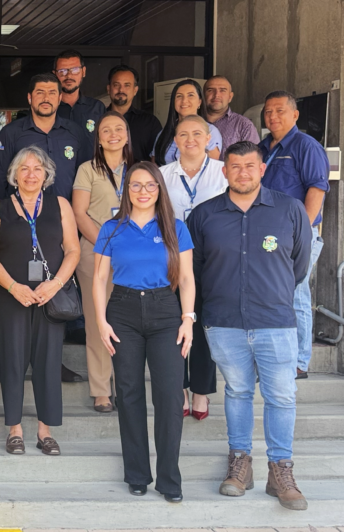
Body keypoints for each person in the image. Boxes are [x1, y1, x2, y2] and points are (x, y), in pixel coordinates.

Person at [188, 141, 311, 511]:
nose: (243, 172)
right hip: (224, 322)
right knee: (238, 392)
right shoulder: (204, 214)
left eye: (250, 166)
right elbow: (194, 269)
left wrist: (271, 291)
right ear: (224, 171)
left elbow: (299, 265)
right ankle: (240, 464)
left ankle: (281, 471)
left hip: (275, 321)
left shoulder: (290, 209)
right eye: (235, 166)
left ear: (262, 169)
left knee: (282, 396)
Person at [93, 162, 195, 503]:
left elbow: (186, 278)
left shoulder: (175, 228)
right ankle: (137, 474)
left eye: (150, 185)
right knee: (129, 393)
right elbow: (99, 279)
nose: (143, 191)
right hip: (122, 311)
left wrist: (188, 319)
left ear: (159, 189)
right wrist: (101, 321)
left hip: (165, 310)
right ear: (126, 190)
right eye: (135, 185)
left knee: (169, 395)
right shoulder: (111, 228)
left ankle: (169, 479)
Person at [0, 146, 80, 456]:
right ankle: (14, 429)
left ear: (46, 174)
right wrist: (13, 287)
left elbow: (73, 250)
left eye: (37, 168)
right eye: (24, 169)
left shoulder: (60, 205)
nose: (31, 174)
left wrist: (56, 284)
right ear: (14, 175)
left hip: (49, 297)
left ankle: (45, 430)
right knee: (12, 361)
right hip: (10, 295)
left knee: (49, 361)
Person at [159, 115, 228, 419]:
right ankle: (180, 388)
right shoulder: (162, 175)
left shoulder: (223, 172)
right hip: (171, 257)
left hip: (212, 258)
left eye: (197, 134)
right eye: (183, 134)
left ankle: (201, 390)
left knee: (203, 323)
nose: (190, 139)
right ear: (175, 140)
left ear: (209, 138)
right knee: (175, 322)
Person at [258, 90, 330, 379]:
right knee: (271, 292)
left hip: (296, 234)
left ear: (295, 115)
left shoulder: (306, 146)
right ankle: (274, 355)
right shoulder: (262, 147)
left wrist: (302, 233)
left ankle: (299, 361)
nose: (273, 116)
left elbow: (317, 189)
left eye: (280, 110)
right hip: (265, 234)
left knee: (296, 292)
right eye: (268, 111)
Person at [71, 111, 133, 412]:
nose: (113, 134)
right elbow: (79, 213)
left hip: (134, 254)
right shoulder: (87, 169)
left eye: (119, 129)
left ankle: (126, 386)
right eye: (106, 130)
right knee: (99, 320)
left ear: (127, 135)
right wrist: (108, 246)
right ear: (98, 138)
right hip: (95, 251)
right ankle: (100, 389)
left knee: (130, 322)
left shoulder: (139, 169)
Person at [0, 73, 93, 203]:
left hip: (67, 213)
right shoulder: (11, 133)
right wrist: (9, 211)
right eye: (40, 93)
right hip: (21, 213)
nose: (46, 98)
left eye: (52, 93)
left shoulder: (75, 132)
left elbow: (85, 176)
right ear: (29, 97)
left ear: (59, 98)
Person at [152, 79, 222, 165]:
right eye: (179, 96)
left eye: (190, 95)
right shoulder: (163, 133)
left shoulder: (210, 131)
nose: (184, 100)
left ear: (199, 102)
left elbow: (211, 167)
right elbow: (154, 165)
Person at [106, 65, 162, 162]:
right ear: (108, 89)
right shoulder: (98, 118)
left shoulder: (149, 122)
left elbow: (157, 159)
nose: (121, 90)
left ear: (135, 90)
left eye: (127, 85)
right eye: (116, 85)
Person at [204, 76, 259, 158]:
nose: (216, 95)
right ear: (203, 95)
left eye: (222, 90)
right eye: (210, 90)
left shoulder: (244, 125)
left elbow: (252, 159)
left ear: (230, 97)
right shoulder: (193, 123)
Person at [55, 49, 106, 136]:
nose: (69, 75)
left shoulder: (97, 108)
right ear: (54, 74)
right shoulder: (49, 108)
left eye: (75, 70)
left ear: (83, 72)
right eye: (62, 71)